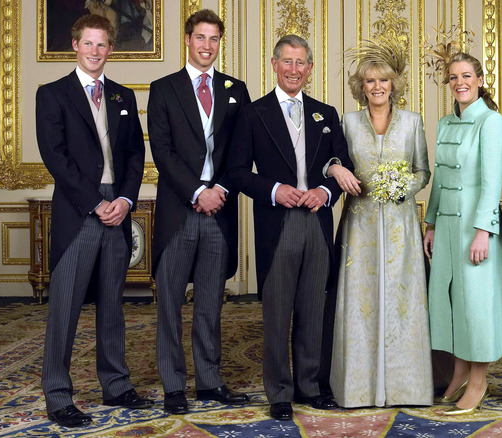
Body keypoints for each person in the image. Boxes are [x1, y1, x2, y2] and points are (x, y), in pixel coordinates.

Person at [227, 34, 353, 421]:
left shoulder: (326, 113)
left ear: (310, 69)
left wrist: (324, 191)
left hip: (316, 222)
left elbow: (342, 164)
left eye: (301, 63)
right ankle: (279, 391)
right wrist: (275, 190)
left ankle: (310, 386)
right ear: (274, 64)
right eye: (287, 62)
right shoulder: (254, 113)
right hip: (276, 223)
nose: (294, 70)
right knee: (278, 312)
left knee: (314, 309)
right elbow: (235, 172)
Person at [36, 14, 150, 428]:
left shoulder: (122, 96)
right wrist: (94, 203)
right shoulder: (52, 94)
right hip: (78, 209)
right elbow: (56, 158)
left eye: (102, 45)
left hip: (116, 207)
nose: (95, 52)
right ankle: (58, 395)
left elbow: (136, 154)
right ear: (74, 45)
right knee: (64, 307)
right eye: (89, 44)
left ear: (111, 50)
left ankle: (116, 384)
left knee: (112, 306)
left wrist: (123, 199)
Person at [147, 9, 251, 415]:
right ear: (187, 39)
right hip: (180, 210)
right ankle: (174, 385)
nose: (207, 46)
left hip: (220, 210)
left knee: (210, 303)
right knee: (170, 302)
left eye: (214, 39)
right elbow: (163, 151)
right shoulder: (164, 88)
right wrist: (196, 192)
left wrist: (220, 189)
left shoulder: (235, 89)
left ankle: (209, 381)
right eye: (200, 38)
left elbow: (240, 150)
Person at [325, 39, 432, 408]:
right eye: (369, 82)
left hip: (402, 226)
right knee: (361, 301)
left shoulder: (413, 122)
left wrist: (407, 186)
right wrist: (335, 168)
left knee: (403, 302)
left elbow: (424, 171)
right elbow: (331, 160)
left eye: (383, 81)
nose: (376, 88)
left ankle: (407, 388)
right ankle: (358, 388)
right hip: (361, 226)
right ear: (361, 87)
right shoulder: (349, 122)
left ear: (393, 85)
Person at [422, 52, 502, 416]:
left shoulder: (492, 122)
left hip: (476, 228)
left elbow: (492, 182)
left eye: (466, 75)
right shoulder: (445, 123)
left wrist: (484, 231)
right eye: (453, 77)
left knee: (477, 306)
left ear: (480, 80)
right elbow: (440, 178)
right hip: (446, 226)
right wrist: (431, 223)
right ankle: (460, 371)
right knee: (450, 302)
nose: (459, 82)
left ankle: (479, 380)